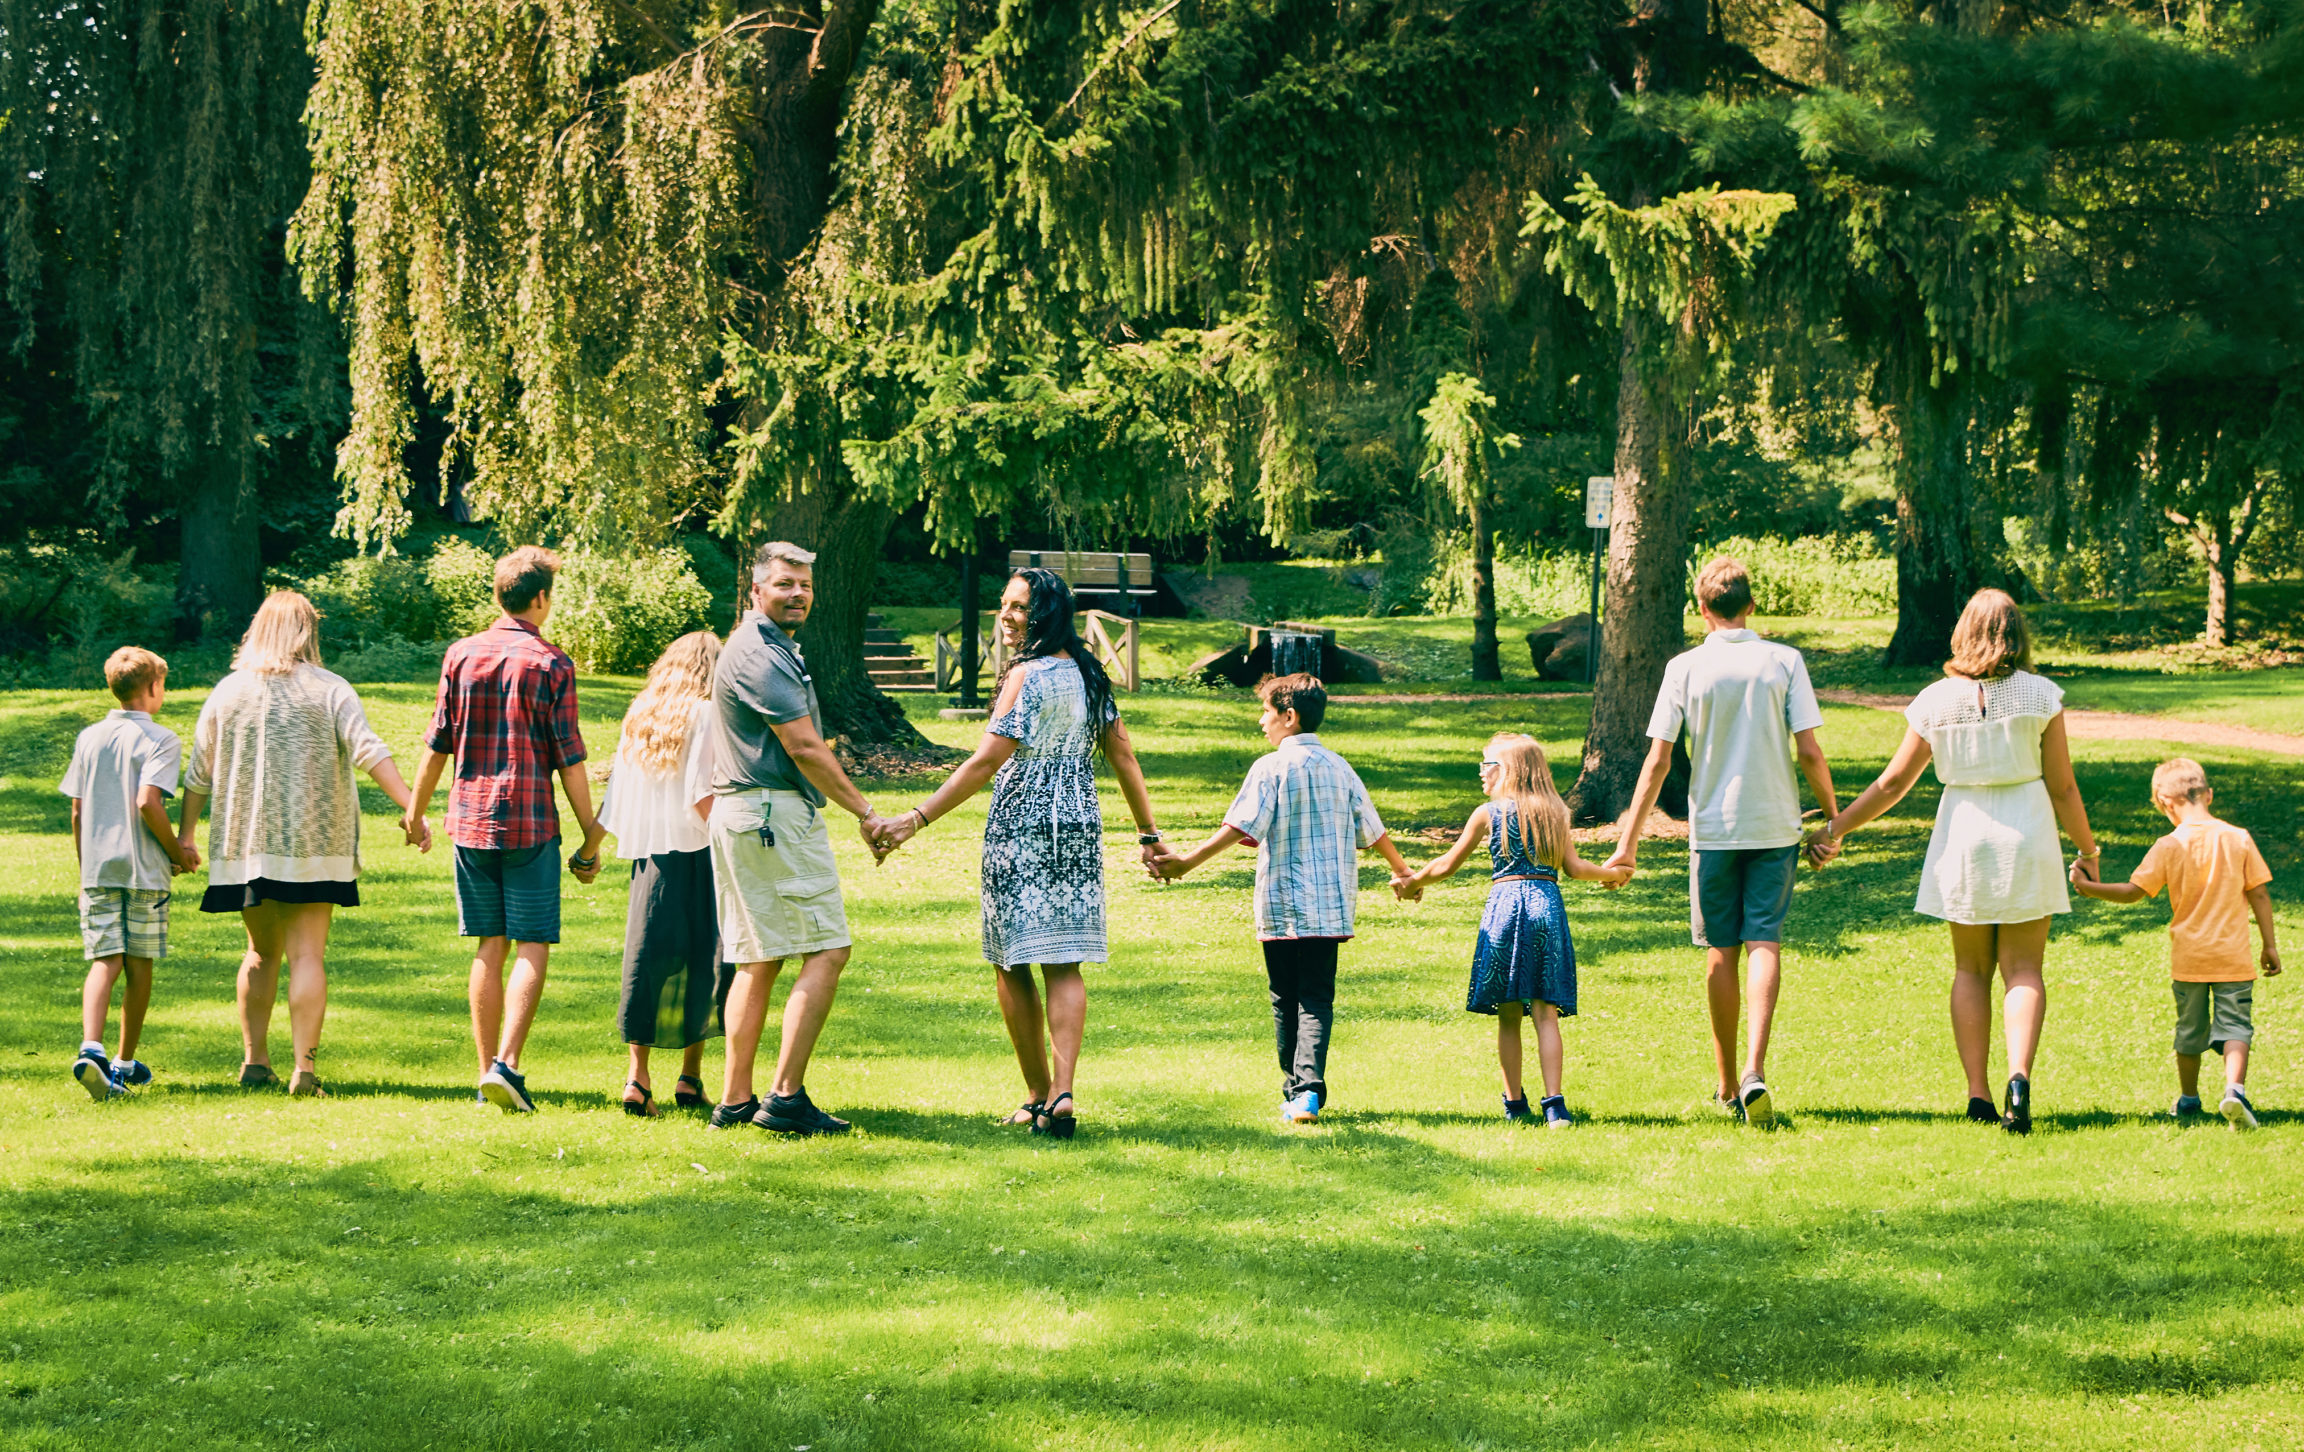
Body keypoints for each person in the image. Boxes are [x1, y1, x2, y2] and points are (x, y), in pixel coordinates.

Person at [873, 567, 1166, 1138]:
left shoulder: (1027, 676)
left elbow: (985, 761)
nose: (1006, 616)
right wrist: (1147, 834)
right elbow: (1124, 758)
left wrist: (915, 819)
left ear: (1046, 613)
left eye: (1018, 607)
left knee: (1011, 960)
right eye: (1003, 605)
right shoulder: (1089, 676)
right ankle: (1063, 1092)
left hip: (1022, 823)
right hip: (1078, 824)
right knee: (1064, 961)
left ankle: (1037, 1094)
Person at [1810, 588, 2101, 1134]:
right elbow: (2062, 786)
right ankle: (2019, 1078)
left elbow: (1894, 783)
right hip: (2026, 829)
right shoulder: (2041, 696)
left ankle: (1978, 1094)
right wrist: (2087, 849)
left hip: (1964, 832)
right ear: (2017, 634)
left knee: (1970, 968)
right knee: (2024, 968)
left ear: (1963, 632)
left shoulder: (1935, 700)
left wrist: (1836, 827)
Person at [1603, 557, 1839, 1128]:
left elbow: (1658, 761)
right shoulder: (1785, 661)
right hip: (1775, 825)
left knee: (1720, 951)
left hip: (1713, 830)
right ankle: (1756, 1070)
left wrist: (1627, 842)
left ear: (1702, 610)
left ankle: (1728, 1083)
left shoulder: (1684, 667)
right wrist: (1833, 821)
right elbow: (1808, 751)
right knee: (1765, 942)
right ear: (1751, 606)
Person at [178, 591, 423, 1097]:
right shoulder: (330, 689)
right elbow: (368, 750)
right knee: (308, 954)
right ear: (307, 631)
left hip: (246, 845)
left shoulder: (227, 692)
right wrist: (410, 808)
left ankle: (254, 1061)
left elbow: (198, 773)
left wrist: (185, 834)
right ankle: (303, 1071)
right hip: (316, 843)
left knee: (261, 953)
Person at [1150, 673, 1411, 1126]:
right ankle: (1304, 1093)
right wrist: (1402, 871)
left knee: (1283, 997)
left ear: (1288, 717)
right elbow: (1373, 828)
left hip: (1281, 903)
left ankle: (1297, 1090)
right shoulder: (1339, 766)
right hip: (1329, 907)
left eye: (1267, 712)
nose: (1261, 721)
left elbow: (1240, 827)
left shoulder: (1270, 768)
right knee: (1316, 997)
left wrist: (1188, 861)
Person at [705, 541, 900, 1136]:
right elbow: (804, 746)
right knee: (827, 949)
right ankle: (784, 1098)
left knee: (757, 960)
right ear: (756, 589)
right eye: (786, 583)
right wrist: (866, 812)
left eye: (806, 586)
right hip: (771, 813)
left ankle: (736, 1101)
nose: (798, 594)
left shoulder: (762, 645)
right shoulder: (759, 653)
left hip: (744, 813)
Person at [404, 545, 607, 1113]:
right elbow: (569, 757)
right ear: (540, 598)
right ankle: (508, 1066)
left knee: (488, 944)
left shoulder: (461, 655)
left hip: (468, 820)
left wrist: (416, 812)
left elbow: (437, 743)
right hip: (529, 819)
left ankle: (483, 1070)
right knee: (533, 940)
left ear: (500, 594)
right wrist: (591, 832)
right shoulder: (552, 664)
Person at [1398, 732, 1629, 1127]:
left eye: (1486, 765)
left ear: (1507, 770)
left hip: (1504, 907)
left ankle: (1515, 1105)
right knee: (1545, 1011)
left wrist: (1414, 881)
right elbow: (1573, 868)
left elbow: (1447, 864)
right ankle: (1555, 1106)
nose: (1481, 773)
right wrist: (1612, 873)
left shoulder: (1489, 812)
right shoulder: (1555, 812)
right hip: (1546, 906)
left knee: (1508, 1013)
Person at [2071, 758, 2279, 1130]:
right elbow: (2259, 894)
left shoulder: (2169, 845)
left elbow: (2134, 892)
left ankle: (2188, 1099)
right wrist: (2270, 945)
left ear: (2165, 802)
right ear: (2208, 794)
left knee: (2189, 1032)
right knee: (2235, 1027)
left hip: (2190, 959)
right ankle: (2234, 1090)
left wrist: (2089, 889)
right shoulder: (2239, 837)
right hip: (2233, 956)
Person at [598, 630, 726, 1117]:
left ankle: (638, 1078)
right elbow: (701, 792)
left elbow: (617, 795)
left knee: (647, 961)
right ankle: (691, 1076)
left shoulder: (641, 715)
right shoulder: (708, 713)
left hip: (650, 858)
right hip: (700, 851)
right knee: (709, 962)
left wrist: (590, 848)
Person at [60, 646, 196, 1100]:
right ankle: (119, 1062)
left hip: (98, 869)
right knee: (139, 966)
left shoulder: (89, 738)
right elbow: (147, 802)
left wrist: (86, 868)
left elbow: (78, 811)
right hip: (145, 872)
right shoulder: (161, 739)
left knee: (105, 959)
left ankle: (91, 1047)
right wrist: (178, 851)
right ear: (154, 688)